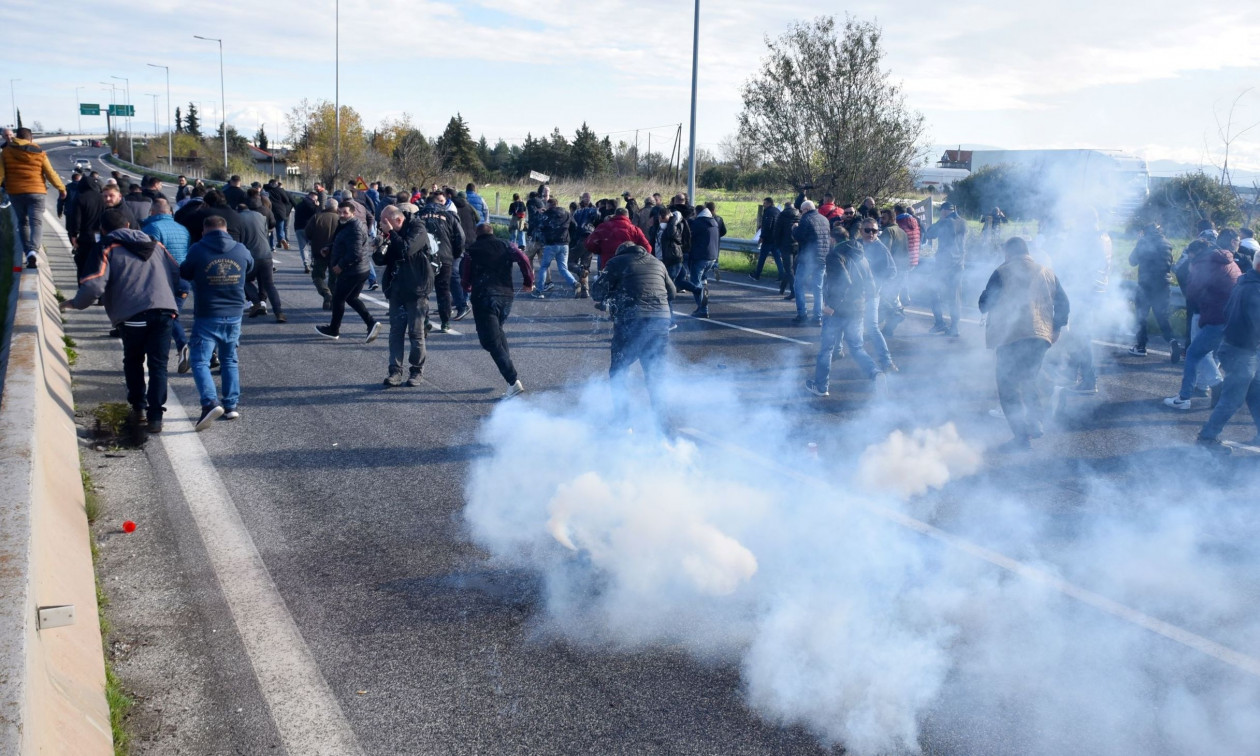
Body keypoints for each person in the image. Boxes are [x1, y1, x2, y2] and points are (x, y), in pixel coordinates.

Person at [63, 209, 181, 440]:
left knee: (134, 360)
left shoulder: (106, 247)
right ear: (129, 224)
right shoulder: (156, 245)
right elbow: (177, 274)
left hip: (133, 314)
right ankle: (156, 416)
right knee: (158, 365)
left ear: (102, 230)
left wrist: (75, 304)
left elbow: (94, 287)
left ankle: (139, 409)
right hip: (165, 312)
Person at [977, 237, 1071, 451]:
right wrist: (1056, 328)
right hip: (1040, 336)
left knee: (1007, 387)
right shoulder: (1047, 272)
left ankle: (1022, 437)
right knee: (1028, 379)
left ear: (1008, 253)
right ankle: (1036, 421)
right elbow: (1064, 304)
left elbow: (984, 304)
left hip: (1010, 336)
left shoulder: (1002, 271)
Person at [180, 215, 253, 431]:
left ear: (204, 230)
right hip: (234, 312)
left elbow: (185, 272)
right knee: (229, 358)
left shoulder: (198, 249)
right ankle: (231, 405)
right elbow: (250, 267)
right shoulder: (240, 248)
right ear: (226, 229)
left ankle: (209, 402)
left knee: (200, 360)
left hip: (208, 312)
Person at [592, 242, 676, 421]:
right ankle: (664, 428)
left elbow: (597, 292)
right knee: (655, 376)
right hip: (660, 322)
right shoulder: (657, 262)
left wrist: (613, 294)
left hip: (633, 321)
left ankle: (622, 423)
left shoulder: (616, 262)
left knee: (618, 372)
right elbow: (673, 292)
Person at [805, 224, 884, 398]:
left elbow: (844, 282)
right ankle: (875, 373)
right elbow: (871, 284)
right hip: (858, 310)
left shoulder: (834, 255)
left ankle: (821, 386)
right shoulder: (861, 255)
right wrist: (866, 302)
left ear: (833, 239)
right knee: (856, 348)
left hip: (838, 311)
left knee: (826, 349)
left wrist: (831, 305)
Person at [1164, 233, 1241, 410]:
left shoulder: (1203, 264)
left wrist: (1191, 272)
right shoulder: (1227, 259)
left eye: (1190, 254)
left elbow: (1192, 293)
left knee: (1193, 353)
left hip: (1216, 316)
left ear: (1196, 252)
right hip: (1234, 317)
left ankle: (1185, 398)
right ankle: (1209, 387)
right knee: (1213, 352)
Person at [1196, 253, 1260, 454]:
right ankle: (1207, 438)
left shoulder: (1244, 282)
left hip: (1240, 349)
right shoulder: (1255, 290)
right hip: (1242, 352)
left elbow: (1227, 312)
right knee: (1233, 399)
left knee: (1256, 394)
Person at [462, 224, 534, 398]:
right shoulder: (506, 245)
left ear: (477, 235)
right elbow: (523, 258)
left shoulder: (472, 250)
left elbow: (464, 276)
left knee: (490, 342)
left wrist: (468, 286)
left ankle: (512, 380)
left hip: (484, 297)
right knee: (497, 333)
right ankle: (509, 375)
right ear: (492, 233)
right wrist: (528, 281)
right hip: (506, 296)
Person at [375, 204, 433, 387]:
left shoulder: (418, 228)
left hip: (417, 289)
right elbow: (379, 260)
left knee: (416, 333)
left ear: (398, 220)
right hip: (396, 289)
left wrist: (392, 234)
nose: (382, 225)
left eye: (385, 222)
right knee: (395, 332)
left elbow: (406, 250)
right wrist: (381, 243)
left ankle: (416, 371)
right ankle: (395, 371)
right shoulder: (391, 234)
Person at [0, 127, 67, 268]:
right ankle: (33, 252)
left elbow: (0, 174)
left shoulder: (6, 152)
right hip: (37, 192)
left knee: (22, 222)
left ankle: (27, 251)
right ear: (30, 139)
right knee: (36, 223)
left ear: (16, 137)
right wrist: (61, 188)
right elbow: (50, 173)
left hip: (15, 192)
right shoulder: (40, 153)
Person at [316, 201, 381, 342]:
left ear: (352, 213)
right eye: (339, 212)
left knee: (338, 299)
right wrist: (329, 247)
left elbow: (355, 253)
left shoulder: (354, 228)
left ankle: (334, 330)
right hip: (359, 270)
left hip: (353, 271)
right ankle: (371, 322)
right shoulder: (346, 225)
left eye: (345, 212)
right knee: (351, 298)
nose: (342, 215)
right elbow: (342, 243)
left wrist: (340, 265)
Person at [142, 198, 193, 373]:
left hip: (162, 279)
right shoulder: (183, 229)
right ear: (170, 212)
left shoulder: (151, 228)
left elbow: (148, 256)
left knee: (167, 316)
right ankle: (189, 349)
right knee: (173, 314)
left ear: (152, 212)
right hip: (183, 279)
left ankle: (181, 345)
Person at [1128, 222, 1182, 361]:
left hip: (1146, 285)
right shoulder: (1167, 243)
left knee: (1141, 316)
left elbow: (1132, 261)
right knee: (1162, 317)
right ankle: (1172, 341)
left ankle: (1140, 347)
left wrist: (1139, 242)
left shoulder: (1144, 242)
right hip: (1164, 285)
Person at [416, 191, 465, 331]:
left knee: (423, 290)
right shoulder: (450, 216)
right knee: (443, 290)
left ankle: (425, 320)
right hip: (445, 257)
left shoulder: (419, 215)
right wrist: (454, 254)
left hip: (423, 258)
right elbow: (460, 237)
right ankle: (445, 322)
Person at [857, 217, 898, 371]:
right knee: (844, 324)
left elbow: (892, 272)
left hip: (871, 295)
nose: (871, 234)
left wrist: (877, 283)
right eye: (867, 230)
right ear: (861, 231)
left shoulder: (881, 249)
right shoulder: (857, 245)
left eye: (874, 231)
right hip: (854, 294)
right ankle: (837, 351)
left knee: (872, 327)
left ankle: (887, 362)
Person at [238, 190, 285, 322]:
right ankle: (279, 312)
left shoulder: (239, 218)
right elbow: (268, 229)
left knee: (245, 280)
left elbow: (239, 238)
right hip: (266, 254)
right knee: (269, 284)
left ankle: (256, 302)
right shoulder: (261, 217)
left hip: (250, 256)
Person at [924, 201, 967, 336]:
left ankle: (939, 323)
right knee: (955, 297)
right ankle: (954, 327)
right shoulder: (963, 222)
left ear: (944, 211)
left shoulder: (945, 222)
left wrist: (940, 220)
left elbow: (930, 234)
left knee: (933, 291)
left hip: (944, 265)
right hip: (959, 264)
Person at [791, 200, 830, 325]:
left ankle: (802, 314)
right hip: (823, 257)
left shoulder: (805, 219)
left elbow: (799, 236)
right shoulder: (825, 219)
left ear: (806, 209)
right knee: (818, 288)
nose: (802, 213)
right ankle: (817, 317)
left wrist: (794, 228)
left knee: (798, 285)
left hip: (809, 258)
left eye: (802, 211)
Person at [683, 204, 721, 318]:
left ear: (697, 212)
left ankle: (703, 308)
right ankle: (701, 307)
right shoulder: (714, 222)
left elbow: (689, 237)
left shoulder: (698, 223)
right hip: (712, 257)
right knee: (701, 282)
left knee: (695, 284)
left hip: (700, 257)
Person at [535, 197, 577, 297]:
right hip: (564, 243)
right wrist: (569, 236)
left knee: (544, 267)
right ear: (557, 204)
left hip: (551, 244)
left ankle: (539, 290)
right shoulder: (566, 213)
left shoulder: (546, 215)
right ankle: (574, 283)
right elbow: (574, 225)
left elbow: (539, 226)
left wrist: (539, 214)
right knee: (563, 268)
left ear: (549, 205)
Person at [878, 208, 910, 338]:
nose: (881, 221)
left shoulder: (888, 231)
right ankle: (888, 329)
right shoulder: (902, 232)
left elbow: (885, 252)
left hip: (891, 271)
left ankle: (897, 315)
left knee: (884, 298)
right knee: (892, 298)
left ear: (891, 219)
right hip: (902, 269)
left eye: (884, 218)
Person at [586, 207, 650, 272]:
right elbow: (647, 248)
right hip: (628, 265)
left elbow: (589, 243)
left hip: (608, 263)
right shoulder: (635, 229)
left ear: (615, 215)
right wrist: (637, 257)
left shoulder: (603, 227)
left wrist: (600, 250)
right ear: (627, 216)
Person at [305, 198, 341, 309]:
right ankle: (333, 302)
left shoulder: (317, 217)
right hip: (336, 253)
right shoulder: (341, 219)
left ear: (325, 206)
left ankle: (326, 293)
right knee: (334, 278)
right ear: (336, 207)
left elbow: (307, 233)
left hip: (319, 252)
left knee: (317, 276)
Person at [752, 197, 782, 283]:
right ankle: (782, 275)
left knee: (762, 258)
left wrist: (762, 237)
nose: (763, 205)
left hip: (768, 239)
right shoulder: (777, 211)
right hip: (776, 239)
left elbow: (767, 226)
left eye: (764, 203)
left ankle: (757, 275)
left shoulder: (768, 212)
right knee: (777, 258)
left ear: (769, 203)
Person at [774, 199, 800, 297]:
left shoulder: (781, 215)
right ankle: (782, 288)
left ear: (785, 207)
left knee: (789, 269)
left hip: (785, 245)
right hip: (797, 244)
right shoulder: (799, 214)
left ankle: (793, 291)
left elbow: (777, 231)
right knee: (790, 268)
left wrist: (777, 245)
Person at [293, 189, 320, 273]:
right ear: (314, 198)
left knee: (303, 247)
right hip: (310, 228)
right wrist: (317, 206)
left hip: (299, 227)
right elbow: (317, 215)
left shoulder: (299, 204)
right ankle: (313, 261)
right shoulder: (312, 206)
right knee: (314, 245)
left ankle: (306, 263)